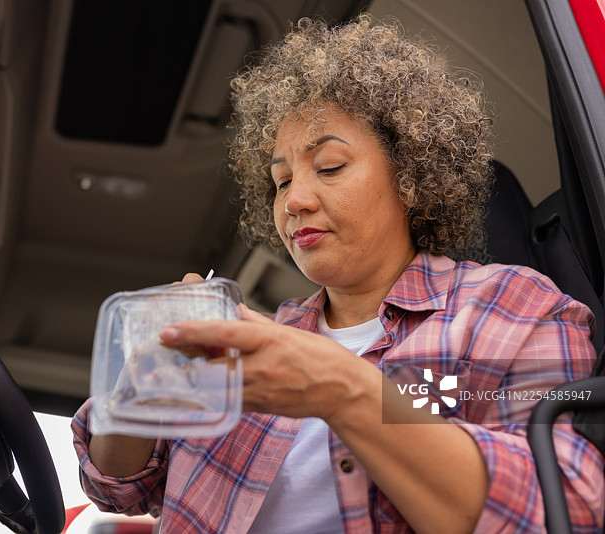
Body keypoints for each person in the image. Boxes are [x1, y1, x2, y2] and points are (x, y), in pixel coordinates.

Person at [72, 15, 604, 533]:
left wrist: (344, 390)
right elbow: (116, 486)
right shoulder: (256, 340)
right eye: (281, 182)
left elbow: (569, 509)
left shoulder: (512, 307)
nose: (295, 201)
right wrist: (140, 385)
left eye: (329, 167)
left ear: (412, 177)